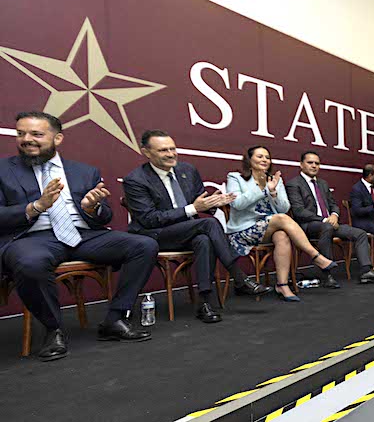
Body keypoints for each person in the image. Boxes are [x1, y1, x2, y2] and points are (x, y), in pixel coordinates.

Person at [1, 112, 158, 361]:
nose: (27, 139)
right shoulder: (3, 170)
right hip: (33, 237)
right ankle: (54, 330)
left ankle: (115, 319)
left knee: (144, 245)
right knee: (30, 263)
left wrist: (91, 208)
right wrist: (36, 207)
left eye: (36, 134)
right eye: (21, 134)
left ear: (58, 138)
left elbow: (104, 215)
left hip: (83, 234)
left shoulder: (84, 171)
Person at [123, 131, 270, 323]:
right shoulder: (136, 179)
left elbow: (200, 201)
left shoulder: (187, 170)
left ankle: (205, 303)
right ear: (146, 152)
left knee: (203, 239)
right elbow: (150, 219)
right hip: (155, 235)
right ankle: (239, 277)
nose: (170, 154)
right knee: (208, 225)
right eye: (163, 150)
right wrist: (194, 208)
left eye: (172, 148)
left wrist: (215, 202)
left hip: (188, 230)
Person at [225, 145, 338, 302]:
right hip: (243, 231)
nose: (265, 160)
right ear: (249, 160)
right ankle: (315, 256)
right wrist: (263, 189)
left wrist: (273, 192)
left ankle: (282, 284)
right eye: (260, 156)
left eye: (267, 157)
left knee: (282, 234)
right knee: (281, 220)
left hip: (268, 229)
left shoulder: (275, 180)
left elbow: (284, 207)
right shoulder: (235, 178)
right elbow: (237, 204)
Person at [285, 151, 374, 286]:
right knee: (327, 227)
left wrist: (334, 215)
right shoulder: (294, 184)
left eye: (317, 163)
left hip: (330, 223)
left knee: (360, 233)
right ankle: (327, 275)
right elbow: (299, 211)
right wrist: (324, 220)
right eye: (310, 163)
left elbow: (333, 204)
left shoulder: (322, 183)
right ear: (301, 165)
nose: (314, 166)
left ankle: (366, 272)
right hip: (308, 226)